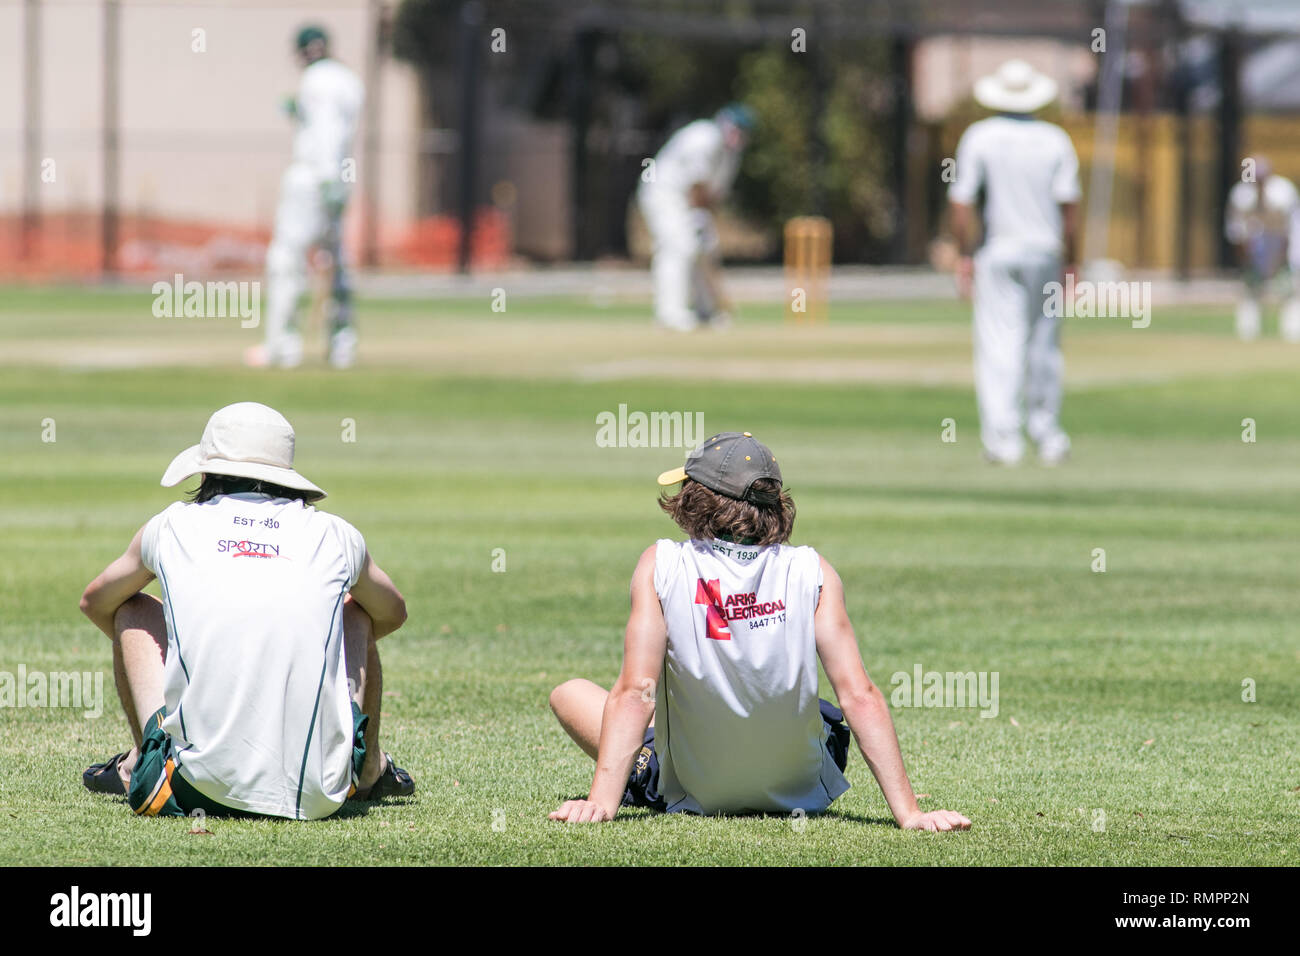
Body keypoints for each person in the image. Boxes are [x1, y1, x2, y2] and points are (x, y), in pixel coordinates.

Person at [548, 431, 971, 831]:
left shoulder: (660, 565)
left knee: (569, 693)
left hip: (699, 792)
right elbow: (859, 695)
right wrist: (910, 813)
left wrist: (601, 803)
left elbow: (636, 691)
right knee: (821, 709)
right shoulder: (813, 569)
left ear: (697, 499)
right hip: (802, 791)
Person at [79, 402, 414, 820]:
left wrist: (194, 649)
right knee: (357, 612)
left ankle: (138, 763)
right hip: (320, 798)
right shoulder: (335, 534)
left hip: (194, 788)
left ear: (204, 473)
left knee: (132, 607)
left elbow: (96, 602)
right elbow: (392, 612)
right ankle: (367, 771)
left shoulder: (171, 526)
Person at [949, 59, 1081, 466]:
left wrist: (963, 254)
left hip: (999, 251)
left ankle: (1005, 441)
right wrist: (1072, 261)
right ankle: (1048, 435)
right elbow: (1070, 207)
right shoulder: (1055, 138)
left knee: (999, 346)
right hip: (1044, 249)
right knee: (1044, 347)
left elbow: (961, 203)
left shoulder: (980, 136)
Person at [247, 25, 364, 370]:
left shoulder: (316, 80)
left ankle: (283, 347)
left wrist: (326, 177)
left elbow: (327, 129)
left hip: (314, 176)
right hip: (341, 175)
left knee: (287, 259)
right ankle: (342, 346)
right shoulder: (349, 79)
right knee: (337, 260)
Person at [637, 104, 755, 332]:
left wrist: (705, 224)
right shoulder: (703, 137)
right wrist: (699, 217)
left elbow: (714, 195)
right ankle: (669, 313)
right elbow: (697, 186)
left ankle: (707, 310)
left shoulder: (732, 156)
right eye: (737, 128)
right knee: (679, 246)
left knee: (706, 249)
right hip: (663, 193)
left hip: (690, 201)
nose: (739, 135)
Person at [1224, 156, 1300, 342]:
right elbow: (1236, 231)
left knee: (1289, 290)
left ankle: (1293, 333)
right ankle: (1247, 334)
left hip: (1281, 241)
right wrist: (1246, 259)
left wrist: (1283, 258)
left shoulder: (1283, 192)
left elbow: (1289, 230)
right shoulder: (1240, 195)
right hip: (1255, 241)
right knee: (1250, 289)